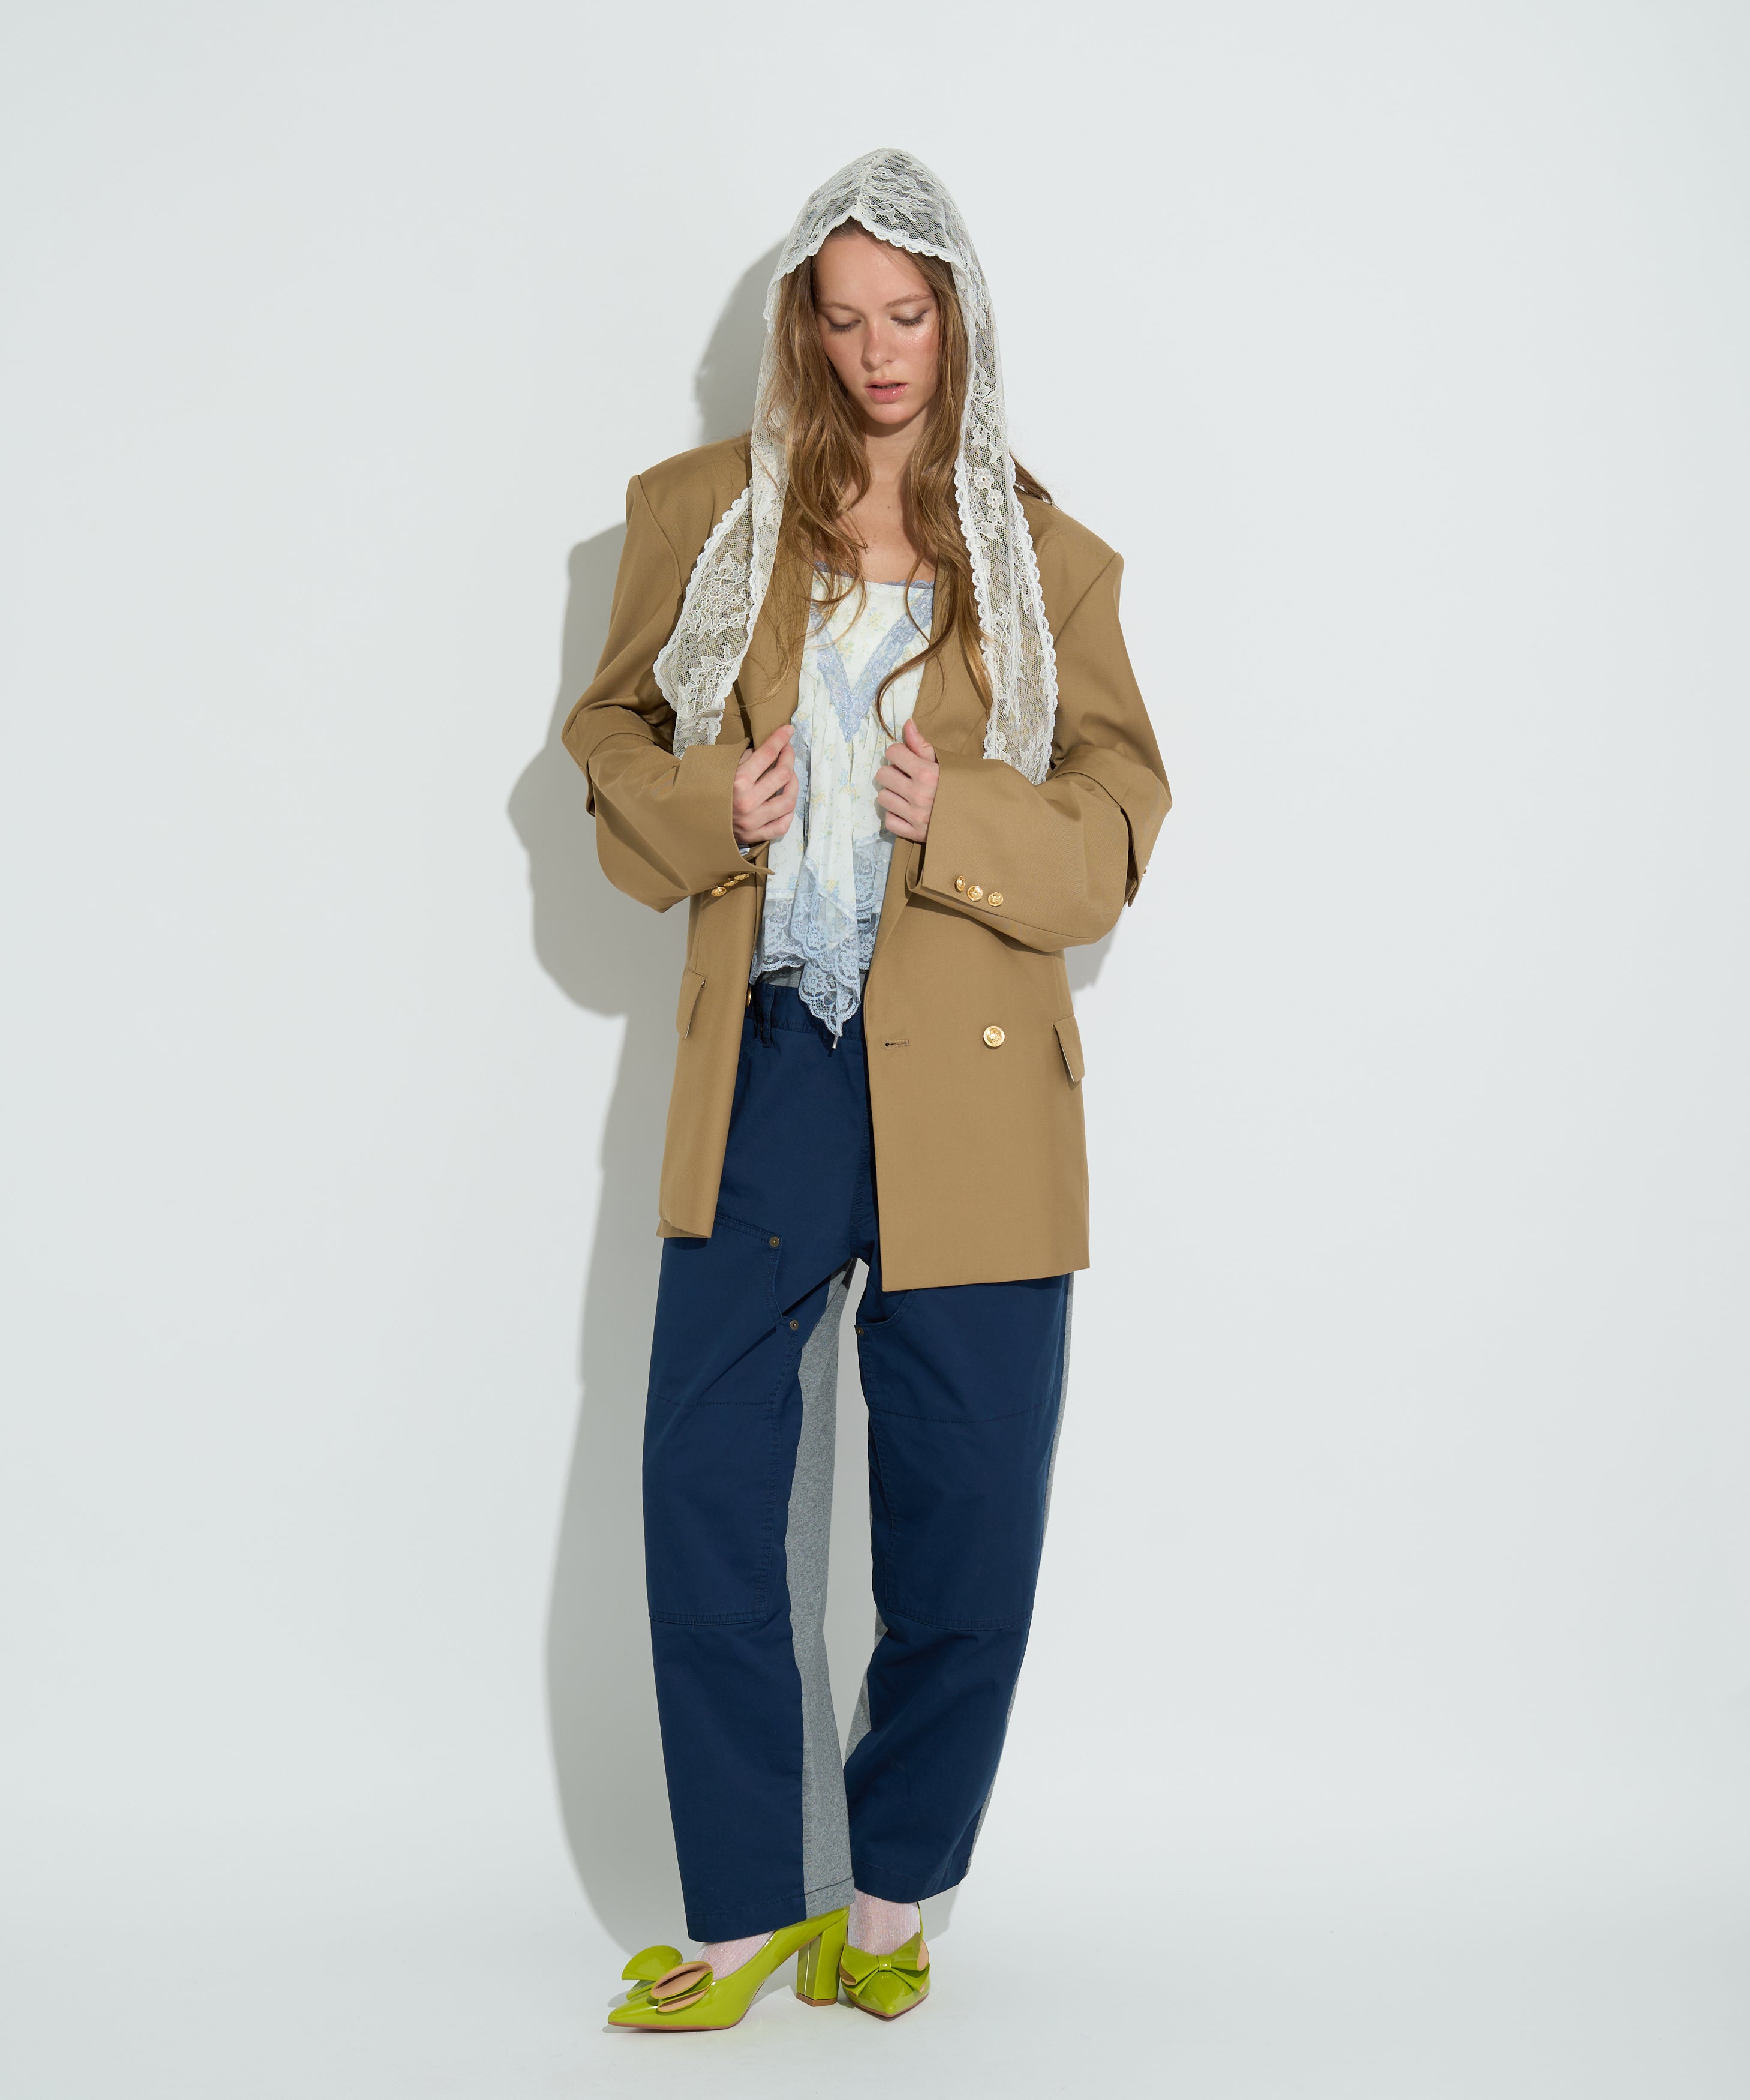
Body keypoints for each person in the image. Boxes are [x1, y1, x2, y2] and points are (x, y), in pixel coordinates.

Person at [563, 148, 1170, 2030]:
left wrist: (958, 813)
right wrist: (707, 806)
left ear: (957, 321)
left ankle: (893, 1895)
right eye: (844, 317)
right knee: (699, 1484)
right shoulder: (702, 517)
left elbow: (1120, 828)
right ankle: (746, 1905)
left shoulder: (1051, 563)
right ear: (802, 330)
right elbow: (605, 741)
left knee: (969, 1515)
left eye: (908, 313)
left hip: (978, 1102)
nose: (879, 349)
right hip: (771, 1065)